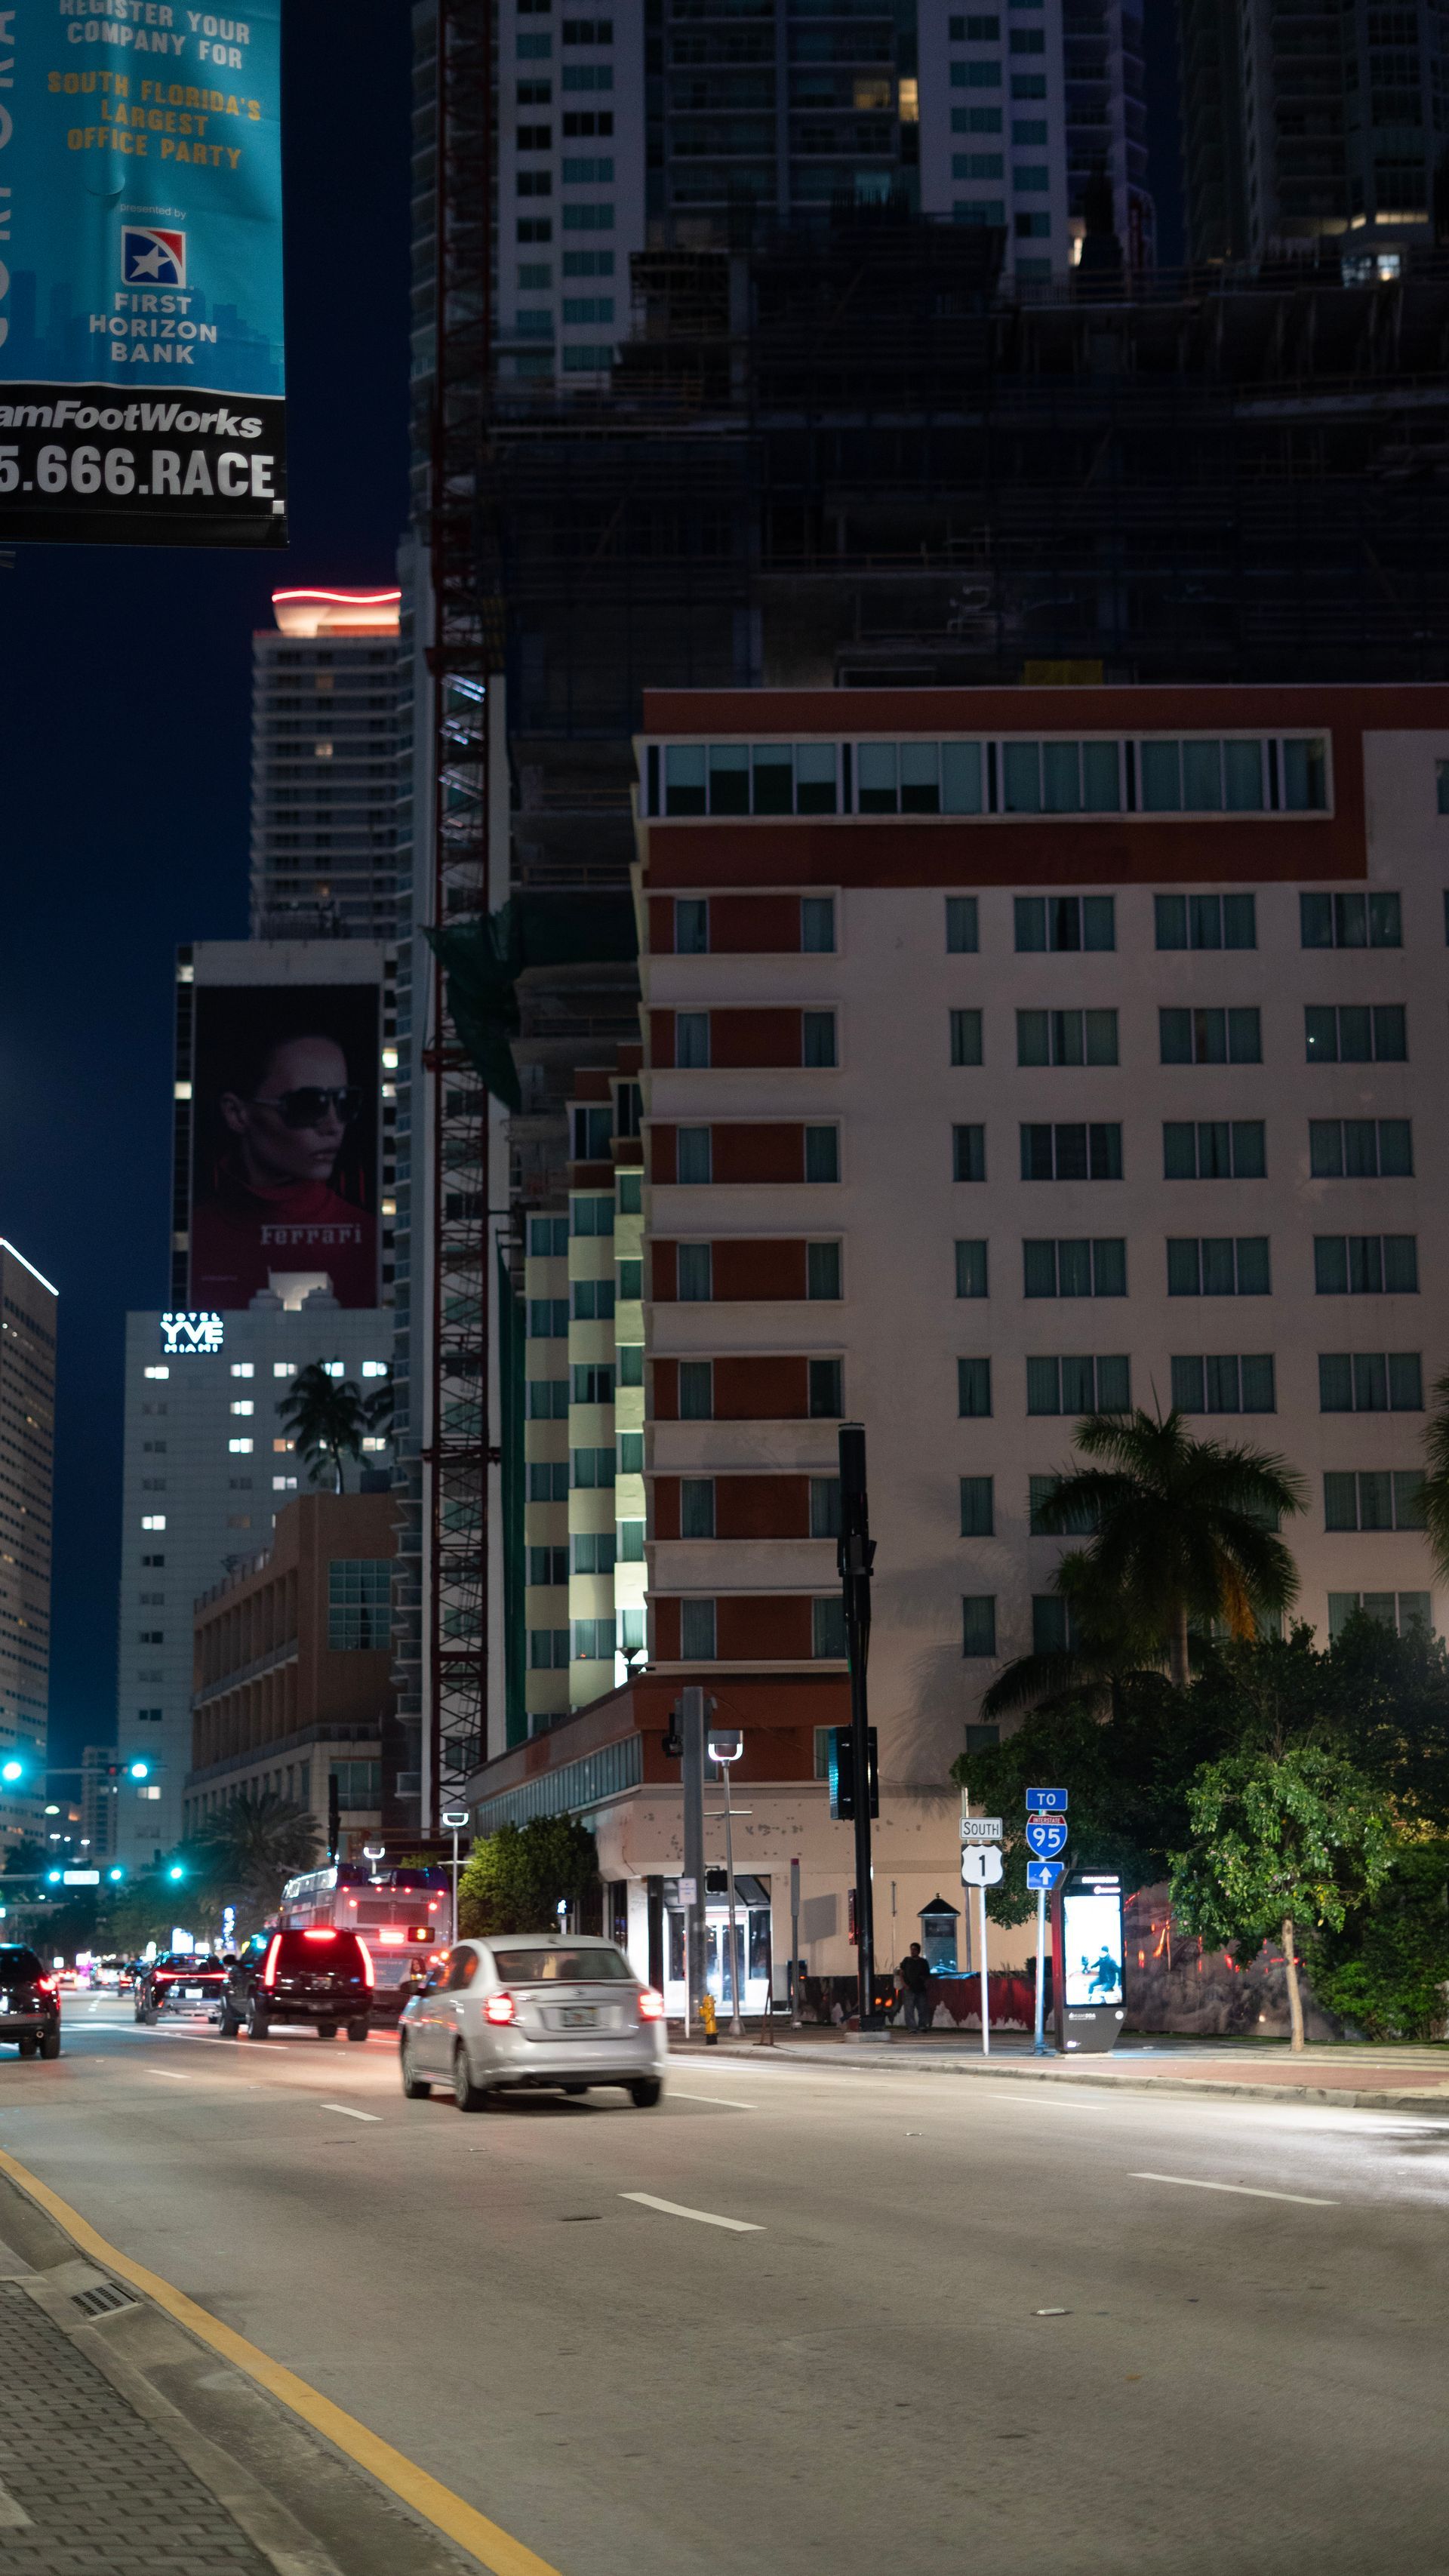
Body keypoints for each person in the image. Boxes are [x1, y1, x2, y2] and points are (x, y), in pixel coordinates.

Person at [190, 1029, 377, 1308]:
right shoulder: (193, 1238)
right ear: (237, 1114)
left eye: (345, 1103)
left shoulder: (371, 1241)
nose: (334, 1126)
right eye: (307, 1105)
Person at [897, 1940, 932, 2033]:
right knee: (909, 2009)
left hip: (920, 1988)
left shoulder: (923, 1962)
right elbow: (901, 1973)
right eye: (911, 1949)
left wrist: (925, 1984)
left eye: (915, 1950)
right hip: (909, 1988)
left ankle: (922, 2026)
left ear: (918, 1951)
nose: (912, 1952)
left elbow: (927, 1976)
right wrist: (904, 1984)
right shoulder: (907, 1961)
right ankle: (912, 2028)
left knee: (922, 2008)